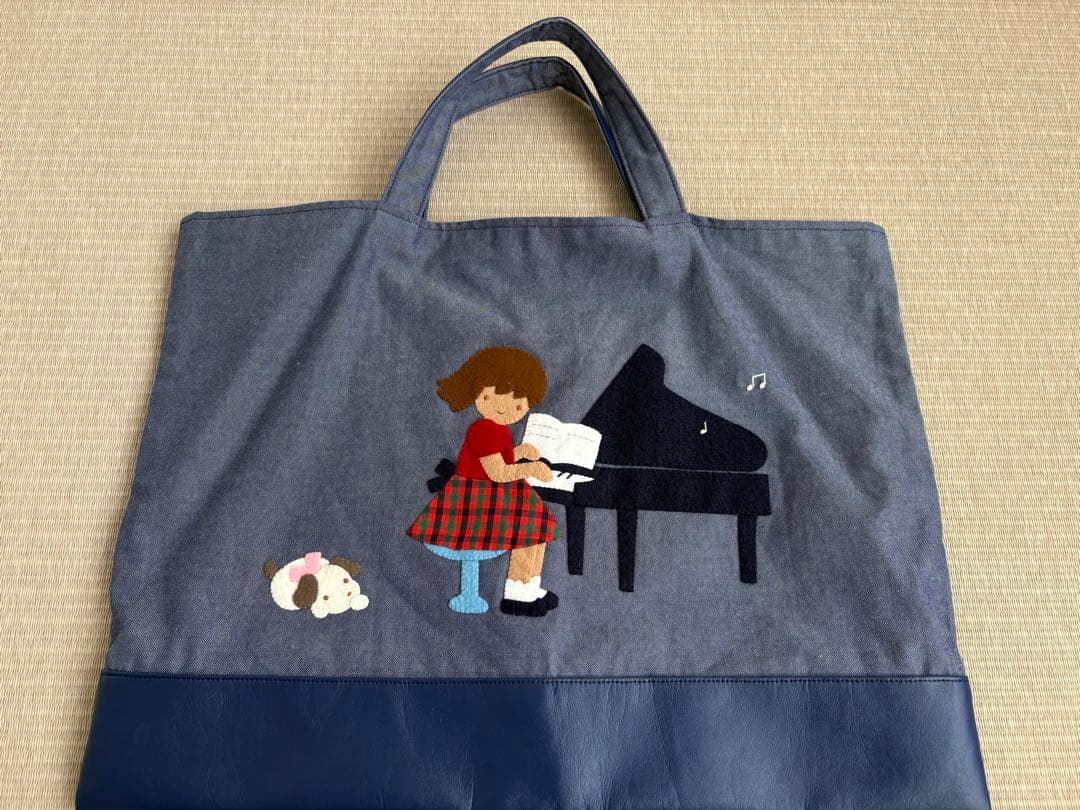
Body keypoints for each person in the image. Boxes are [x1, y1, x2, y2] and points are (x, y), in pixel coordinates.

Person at [407, 346, 561, 617]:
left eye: (518, 405)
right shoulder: (483, 429)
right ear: (479, 392)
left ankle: (528, 587)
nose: (506, 408)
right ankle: (517, 594)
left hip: (493, 491)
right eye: (494, 396)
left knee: (537, 531)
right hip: (478, 496)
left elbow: (498, 458)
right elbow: (497, 472)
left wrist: (519, 453)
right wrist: (532, 468)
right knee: (532, 531)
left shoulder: (496, 428)